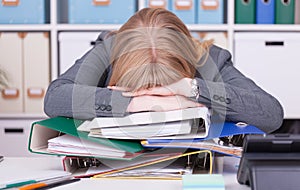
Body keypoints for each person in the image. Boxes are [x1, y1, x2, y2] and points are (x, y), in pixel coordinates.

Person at [44, 8, 283, 133]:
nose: (154, 100)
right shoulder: (108, 50)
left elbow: (271, 114)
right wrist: (131, 103)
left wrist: (192, 89)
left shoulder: (208, 59)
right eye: (141, 90)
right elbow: (54, 97)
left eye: (162, 90)